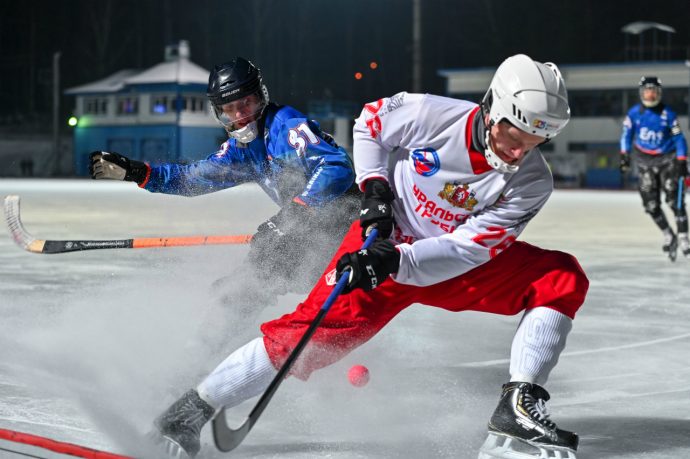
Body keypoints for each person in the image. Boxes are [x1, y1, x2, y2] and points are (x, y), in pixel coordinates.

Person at [152, 54, 589, 459]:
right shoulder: (432, 115)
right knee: (302, 339)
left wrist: (397, 260)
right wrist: (376, 188)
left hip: (440, 265)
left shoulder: (531, 183)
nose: (518, 152)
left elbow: (469, 248)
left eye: (534, 142)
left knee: (560, 277)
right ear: (492, 107)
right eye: (514, 134)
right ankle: (190, 410)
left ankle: (518, 404)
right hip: (372, 246)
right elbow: (370, 124)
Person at [89, 57, 359, 310]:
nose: (240, 115)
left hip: (350, 230)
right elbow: (190, 179)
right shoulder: (240, 150)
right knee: (243, 286)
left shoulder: (285, 127)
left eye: (246, 104)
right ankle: (211, 348)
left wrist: (293, 214)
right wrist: (140, 173)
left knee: (255, 279)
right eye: (229, 109)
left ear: (261, 97)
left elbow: (335, 166)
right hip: (306, 236)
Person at [620, 76, 689, 260]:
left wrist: (682, 161)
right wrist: (624, 154)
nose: (650, 95)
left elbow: (679, 138)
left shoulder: (668, 114)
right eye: (647, 91)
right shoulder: (634, 114)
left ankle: (683, 236)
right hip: (644, 162)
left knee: (675, 201)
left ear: (659, 92)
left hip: (668, 160)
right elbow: (626, 135)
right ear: (641, 93)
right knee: (651, 205)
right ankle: (668, 235)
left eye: (654, 91)